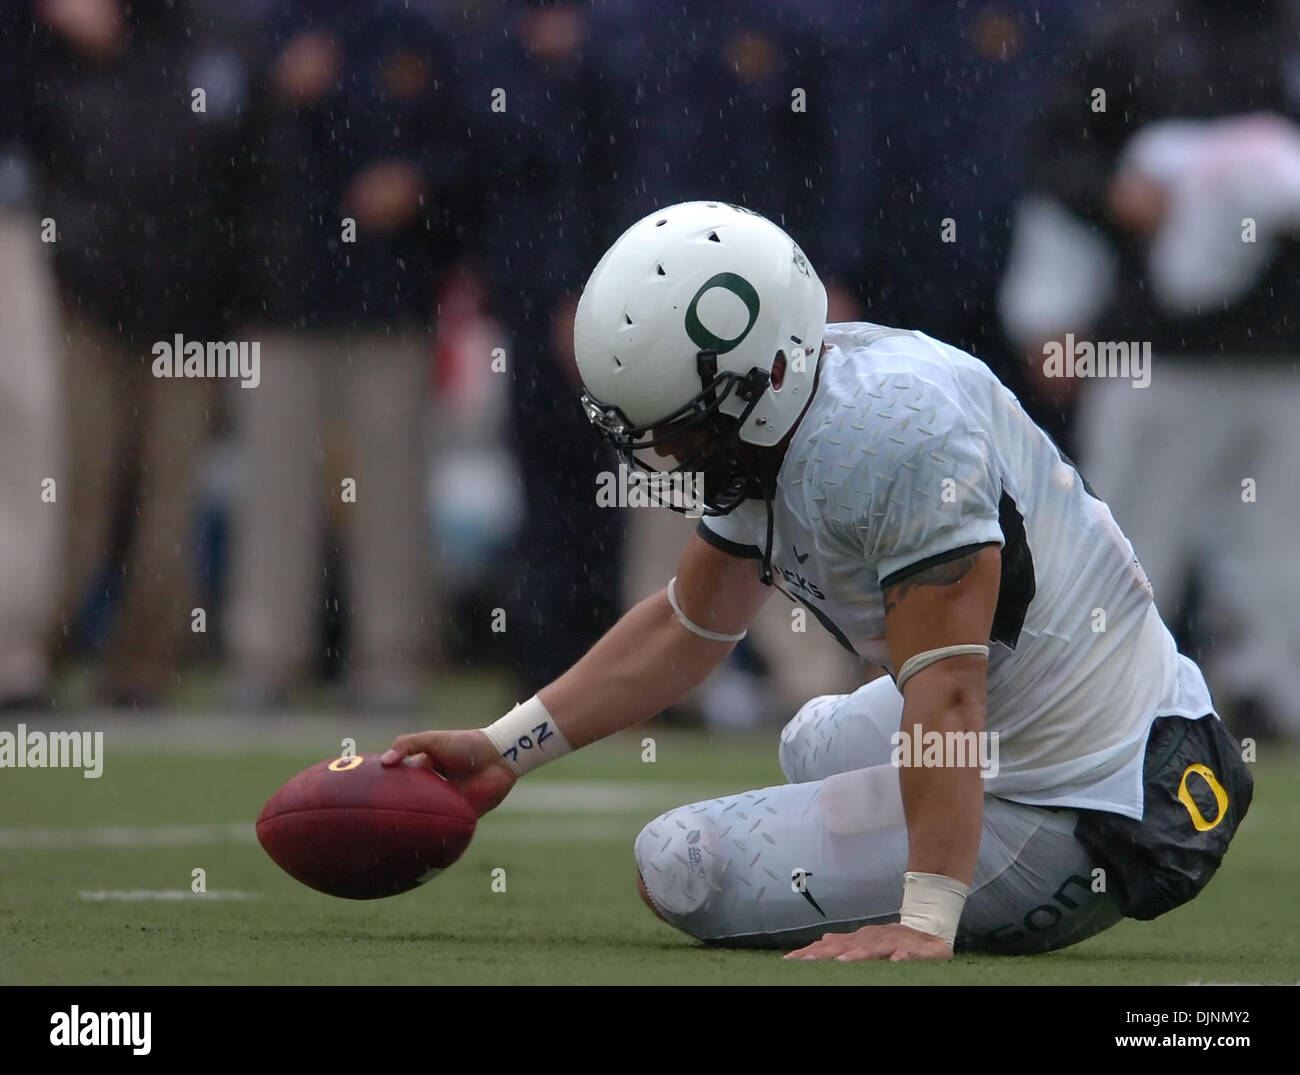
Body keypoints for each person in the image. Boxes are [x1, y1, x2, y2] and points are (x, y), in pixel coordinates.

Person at [381, 202, 1252, 960]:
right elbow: (688, 626)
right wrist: (506, 748)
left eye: (678, 429)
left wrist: (926, 917)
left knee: (679, 864)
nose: (667, 453)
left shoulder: (888, 437)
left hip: (1087, 802)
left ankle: (985, 876)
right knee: (813, 741)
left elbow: (948, 697)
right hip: (1061, 710)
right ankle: (941, 848)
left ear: (758, 379)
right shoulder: (790, 399)